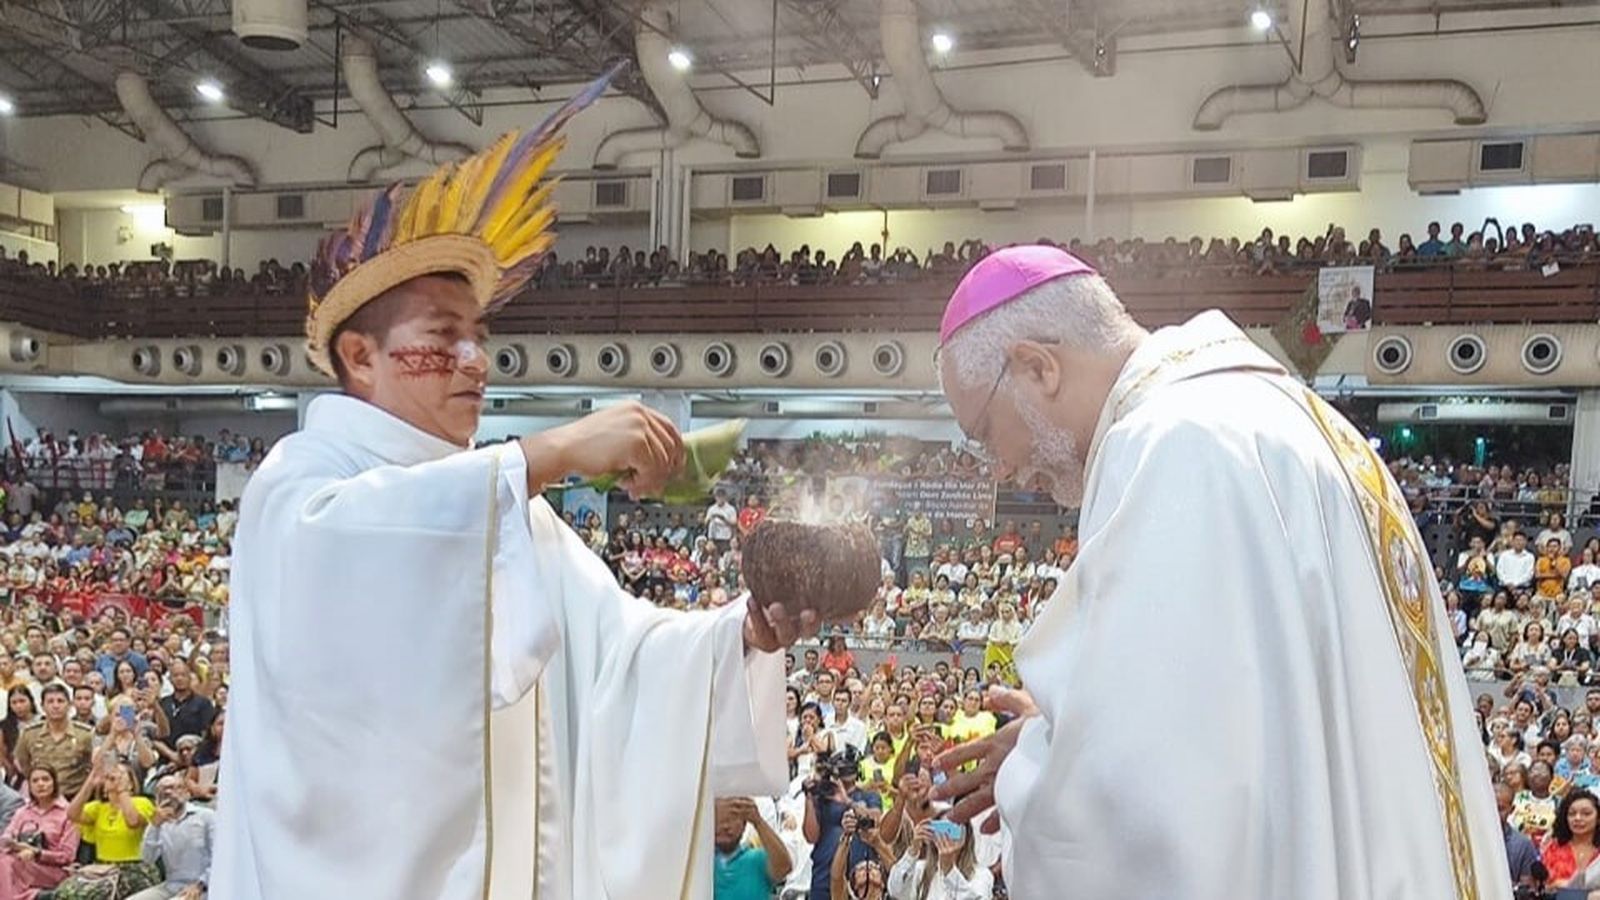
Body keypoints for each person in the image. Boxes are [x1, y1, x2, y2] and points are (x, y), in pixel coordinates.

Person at [216, 105, 861, 900]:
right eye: (444, 334)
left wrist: (742, 634)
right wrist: (547, 453)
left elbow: (624, 662)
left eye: (479, 335)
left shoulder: (515, 516)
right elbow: (362, 553)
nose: (475, 360)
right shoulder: (300, 481)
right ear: (359, 354)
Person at [926, 245, 1508, 898]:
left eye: (981, 432)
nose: (1000, 468)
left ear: (1037, 366)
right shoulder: (1283, 420)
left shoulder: (1169, 448)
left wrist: (1034, 769)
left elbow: (1156, 807)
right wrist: (1063, 730)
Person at [55, 760, 161, 899]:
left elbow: (133, 821)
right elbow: (72, 814)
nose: (114, 777)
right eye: (110, 776)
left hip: (134, 869)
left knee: (89, 895)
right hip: (103, 868)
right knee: (65, 892)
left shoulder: (141, 802)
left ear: (131, 783)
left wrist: (122, 791)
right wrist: (90, 783)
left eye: (120, 774)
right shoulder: (98, 807)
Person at [125, 775, 213, 900]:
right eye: (162, 790)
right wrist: (154, 826)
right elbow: (147, 859)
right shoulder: (158, 822)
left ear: (186, 793)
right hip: (171, 886)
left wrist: (201, 884)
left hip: (202, 886)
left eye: (173, 788)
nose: (168, 792)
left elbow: (219, 859)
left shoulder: (206, 817)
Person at [0, 765, 81, 900]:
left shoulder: (68, 813)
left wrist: (37, 853)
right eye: (35, 781)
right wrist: (12, 844)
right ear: (29, 786)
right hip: (20, 862)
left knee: (6, 864)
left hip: (52, 868)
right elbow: (7, 836)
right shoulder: (23, 812)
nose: (40, 784)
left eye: (45, 779)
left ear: (54, 783)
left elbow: (67, 856)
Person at [14, 686, 93, 800]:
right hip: (42, 798)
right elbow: (24, 764)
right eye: (50, 701)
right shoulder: (29, 734)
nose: (56, 706)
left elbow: (94, 765)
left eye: (60, 701)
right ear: (42, 706)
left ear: (70, 705)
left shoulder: (85, 734)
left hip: (75, 797)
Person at [886, 819, 993, 900]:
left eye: (954, 828)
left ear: (967, 834)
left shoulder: (981, 874)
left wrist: (949, 871)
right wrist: (912, 852)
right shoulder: (921, 870)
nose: (947, 835)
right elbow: (895, 890)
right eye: (942, 827)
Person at [712, 797, 792, 900]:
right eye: (720, 818)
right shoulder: (699, 863)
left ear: (744, 824)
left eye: (733, 817)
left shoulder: (757, 859)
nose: (726, 826)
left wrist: (758, 822)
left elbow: (784, 867)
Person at [1542, 788, 1600, 886]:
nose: (1578, 818)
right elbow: (1544, 886)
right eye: (1572, 814)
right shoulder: (1553, 847)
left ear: (1598, 818)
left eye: (1586, 814)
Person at [1496, 782, 1539, 889]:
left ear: (1512, 810)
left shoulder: (1523, 844)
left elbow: (1527, 889)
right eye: (1489, 807)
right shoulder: (1468, 839)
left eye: (1500, 809)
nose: (1494, 813)